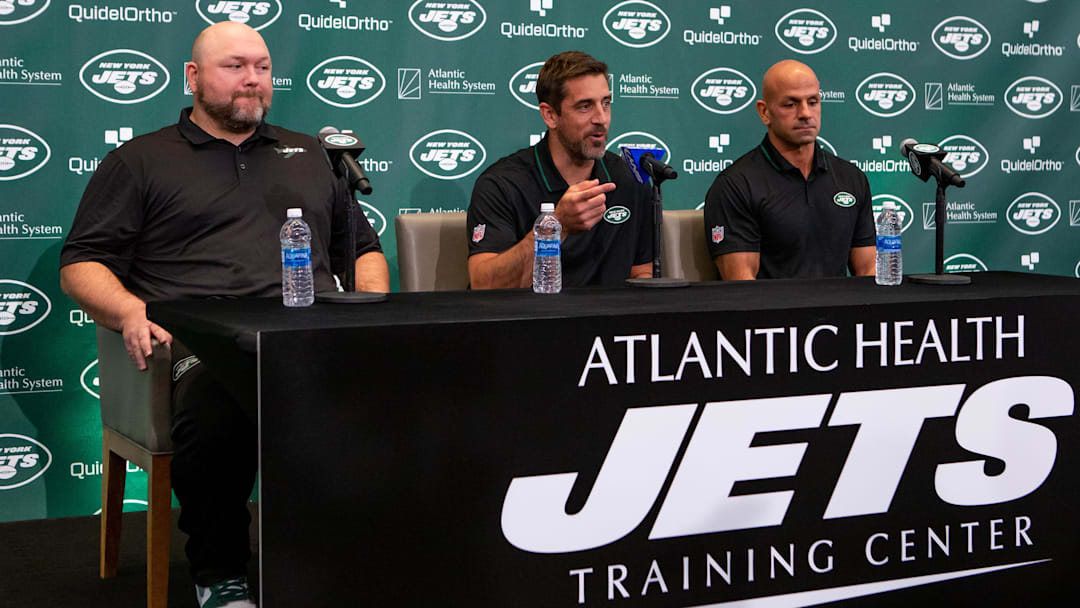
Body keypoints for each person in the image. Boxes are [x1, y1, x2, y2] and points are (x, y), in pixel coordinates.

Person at [60, 22, 389, 608]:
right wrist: (132, 311)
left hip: (308, 331)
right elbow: (82, 264)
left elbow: (362, 250)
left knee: (398, 391)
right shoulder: (140, 160)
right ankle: (221, 574)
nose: (252, 80)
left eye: (261, 67)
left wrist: (369, 315)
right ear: (193, 77)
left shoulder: (312, 155)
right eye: (234, 66)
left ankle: (361, 556)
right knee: (217, 406)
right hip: (200, 341)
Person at [467, 51, 653, 288]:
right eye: (585, 107)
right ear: (550, 115)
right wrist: (558, 225)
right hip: (531, 322)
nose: (601, 118)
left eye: (606, 103)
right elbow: (484, 285)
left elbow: (642, 273)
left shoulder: (629, 179)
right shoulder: (501, 184)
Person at [704, 59, 875, 280]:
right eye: (791, 104)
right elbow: (741, 287)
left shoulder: (852, 179)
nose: (805, 113)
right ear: (764, 112)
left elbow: (869, 273)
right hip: (771, 314)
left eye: (812, 102)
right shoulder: (736, 185)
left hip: (840, 313)